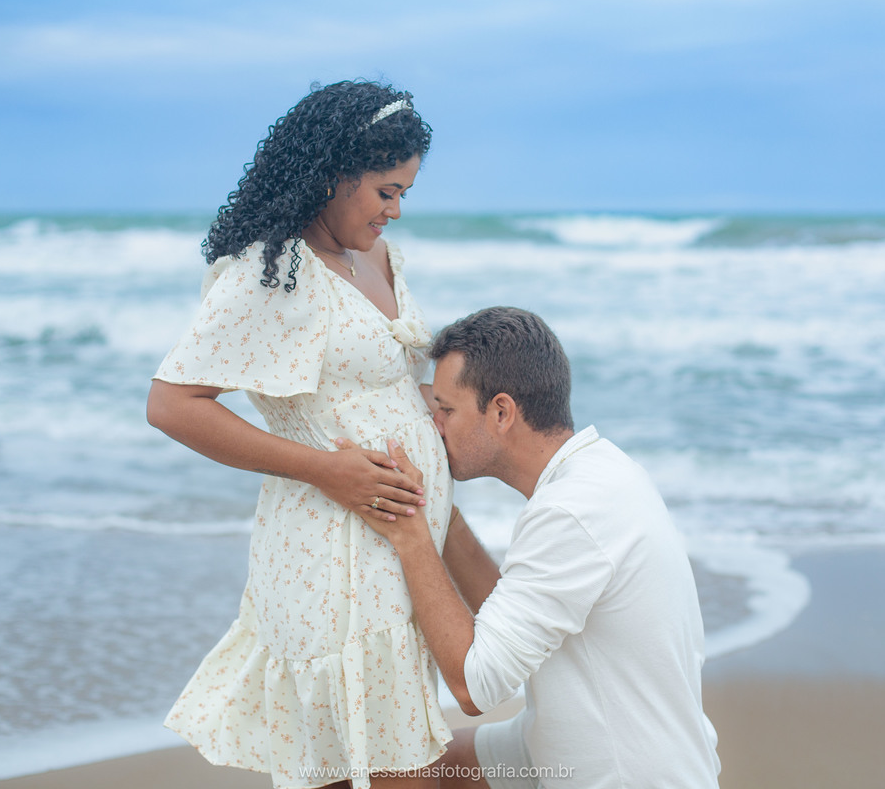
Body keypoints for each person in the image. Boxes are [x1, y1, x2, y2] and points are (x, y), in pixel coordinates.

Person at [147, 80, 453, 789]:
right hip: (332, 561)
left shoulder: (379, 258)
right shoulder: (272, 271)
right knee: (386, 770)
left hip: (397, 551)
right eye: (384, 190)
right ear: (334, 174)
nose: (395, 211)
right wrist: (325, 468)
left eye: (404, 192)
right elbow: (172, 403)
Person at [356, 307, 722, 789]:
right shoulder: (602, 471)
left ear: (501, 412)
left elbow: (474, 686)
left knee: (393, 771)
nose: (435, 426)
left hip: (624, 775)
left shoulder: (572, 511)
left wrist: (410, 534)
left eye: (446, 410)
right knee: (419, 770)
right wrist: (438, 512)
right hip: (576, 743)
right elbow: (509, 619)